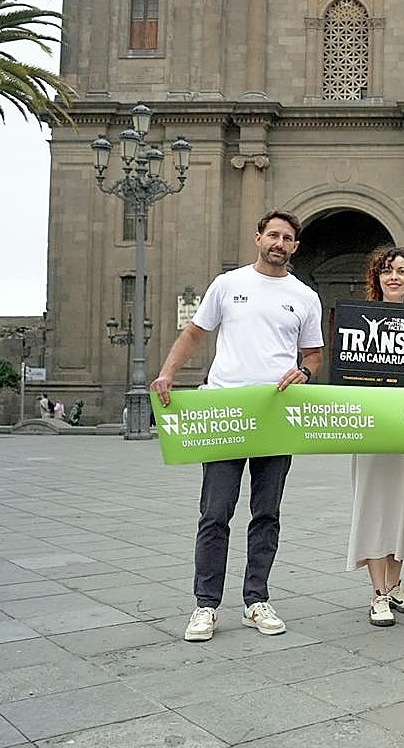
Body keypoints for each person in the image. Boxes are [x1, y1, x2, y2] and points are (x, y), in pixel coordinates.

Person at [152, 209, 323, 643]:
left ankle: (255, 600)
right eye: (273, 235)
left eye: (287, 238)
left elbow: (315, 355)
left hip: (275, 414)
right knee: (215, 513)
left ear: (295, 247)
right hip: (226, 412)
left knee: (266, 513)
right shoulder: (228, 285)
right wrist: (168, 373)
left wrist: (304, 371)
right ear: (258, 238)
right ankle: (205, 605)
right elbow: (194, 333)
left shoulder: (304, 296)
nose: (279, 243)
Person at [347, 246, 404, 627]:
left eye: (401, 270)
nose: (393, 276)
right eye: (386, 271)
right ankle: (377, 592)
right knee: (375, 506)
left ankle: (396, 585)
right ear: (376, 278)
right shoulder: (361, 320)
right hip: (373, 425)